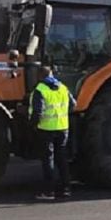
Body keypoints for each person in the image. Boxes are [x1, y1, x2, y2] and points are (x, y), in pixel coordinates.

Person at [29, 65, 75, 201]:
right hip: (63, 128)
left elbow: (38, 111)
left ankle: (49, 191)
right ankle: (66, 189)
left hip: (46, 129)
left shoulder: (40, 90)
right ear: (52, 74)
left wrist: (33, 125)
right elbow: (73, 105)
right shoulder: (63, 87)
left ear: (39, 76)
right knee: (62, 159)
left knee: (48, 159)